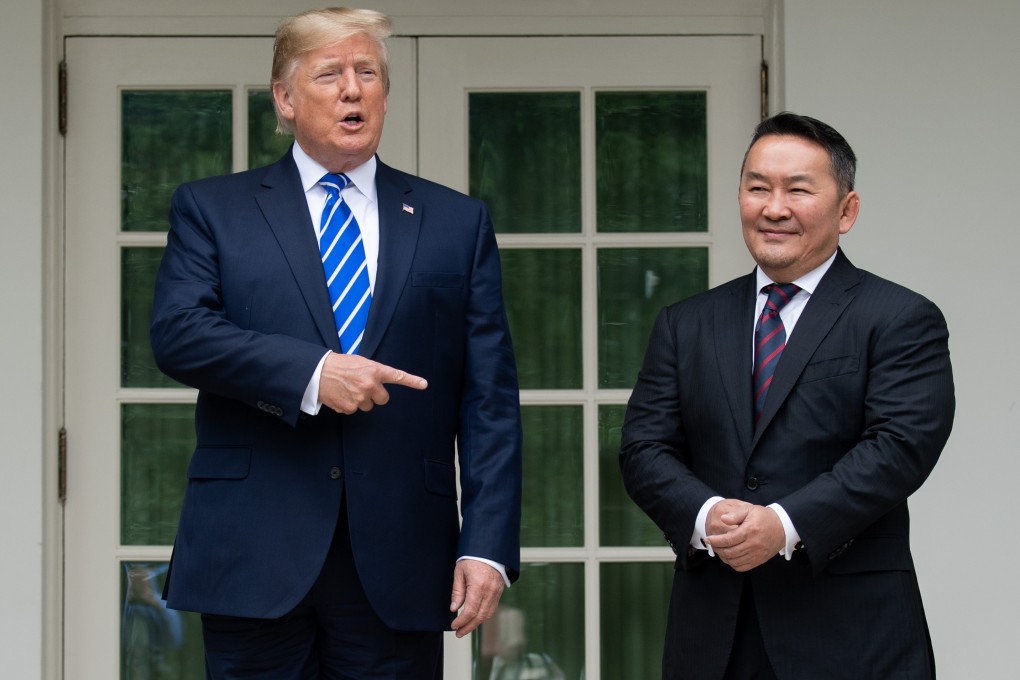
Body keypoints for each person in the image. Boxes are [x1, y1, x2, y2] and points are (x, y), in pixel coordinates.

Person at [150, 7, 522, 677]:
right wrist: (311, 373)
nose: (353, 89)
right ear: (285, 99)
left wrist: (487, 546)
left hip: (403, 558)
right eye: (330, 73)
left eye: (368, 72)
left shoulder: (455, 223)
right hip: (252, 556)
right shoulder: (212, 209)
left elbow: (489, 397)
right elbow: (180, 334)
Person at [619, 112, 954, 680]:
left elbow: (900, 446)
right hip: (713, 635)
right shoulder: (686, 323)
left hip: (852, 634)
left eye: (798, 190)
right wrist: (706, 514)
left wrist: (785, 522)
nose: (774, 208)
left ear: (847, 210)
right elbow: (644, 448)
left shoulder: (898, 317)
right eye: (757, 188)